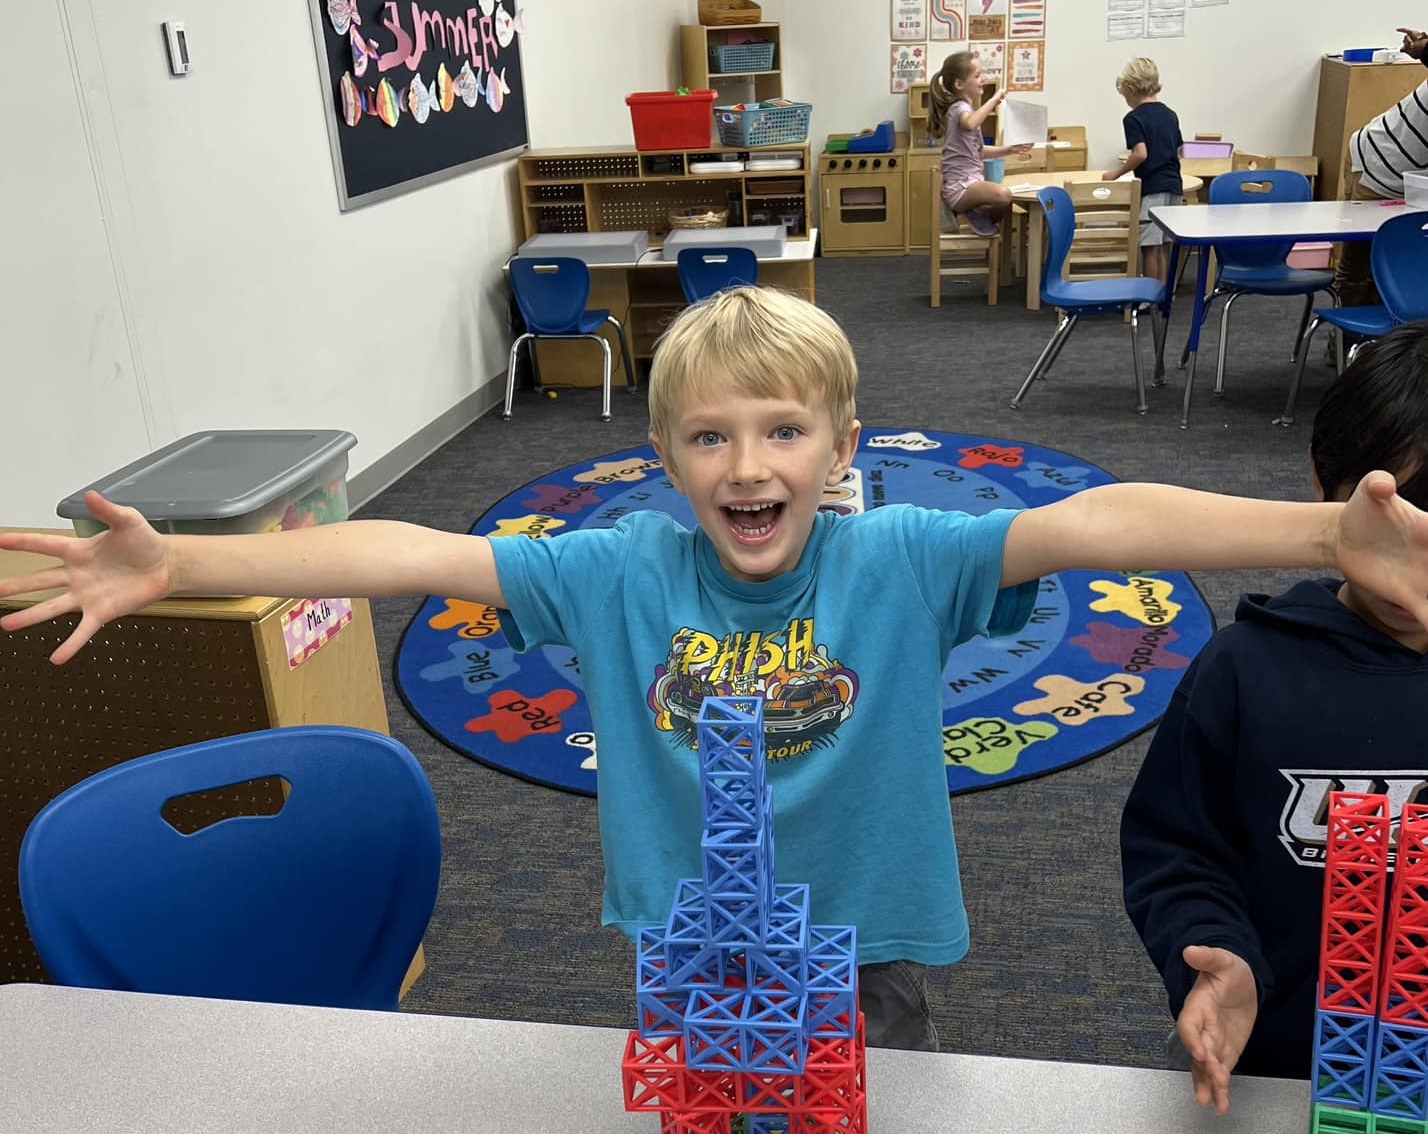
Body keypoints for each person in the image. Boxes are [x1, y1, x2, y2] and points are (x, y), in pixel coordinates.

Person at [6, 287, 1428, 1053]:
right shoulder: (617, 570)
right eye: (708, 438)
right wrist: (183, 566)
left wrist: (1327, 533)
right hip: (693, 943)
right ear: (665, 458)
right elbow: (409, 554)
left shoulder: (904, 562)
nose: (749, 466)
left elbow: (1106, 518)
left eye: (784, 432)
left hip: (867, 945)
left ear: (843, 450)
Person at [1121, 323, 1428, 1114]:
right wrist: (1217, 956)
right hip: (1270, 1080)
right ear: (1326, 492)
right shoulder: (1243, 671)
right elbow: (1177, 850)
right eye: (1406, 515)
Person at [1338, 26, 1428, 305]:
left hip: (1411, 179)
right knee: (1362, 267)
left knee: (1397, 267)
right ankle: (1347, 342)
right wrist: (1421, 48)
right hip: (1377, 165)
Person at [927, 50, 1032, 238]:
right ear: (959, 84)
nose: (983, 78)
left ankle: (975, 214)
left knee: (1006, 205)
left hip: (970, 183)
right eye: (977, 75)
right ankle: (972, 212)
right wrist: (994, 100)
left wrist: (1009, 150)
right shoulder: (960, 108)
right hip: (960, 188)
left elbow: (977, 152)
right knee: (1004, 195)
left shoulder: (965, 108)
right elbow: (970, 123)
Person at [1101, 56, 1183, 284]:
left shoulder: (1133, 118)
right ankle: (1162, 293)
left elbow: (1140, 153)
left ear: (1130, 89)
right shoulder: (1170, 114)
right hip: (1174, 185)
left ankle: (1148, 297)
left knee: (1149, 246)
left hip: (1153, 188)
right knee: (1163, 245)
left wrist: (1114, 174)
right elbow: (1178, 150)